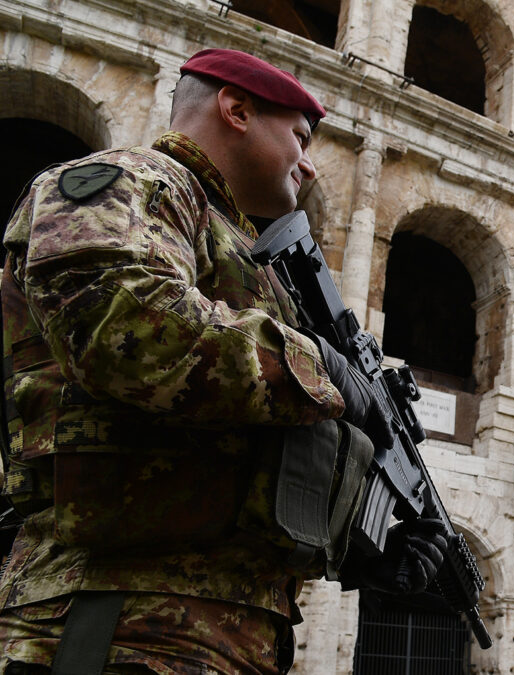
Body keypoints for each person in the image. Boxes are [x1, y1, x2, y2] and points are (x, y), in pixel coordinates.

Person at [0, 48, 447, 674]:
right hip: (114, 622)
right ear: (236, 109)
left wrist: (359, 549)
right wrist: (323, 368)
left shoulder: (244, 256)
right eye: (300, 137)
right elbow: (124, 327)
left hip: (221, 637)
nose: (311, 167)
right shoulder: (133, 181)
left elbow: (245, 457)